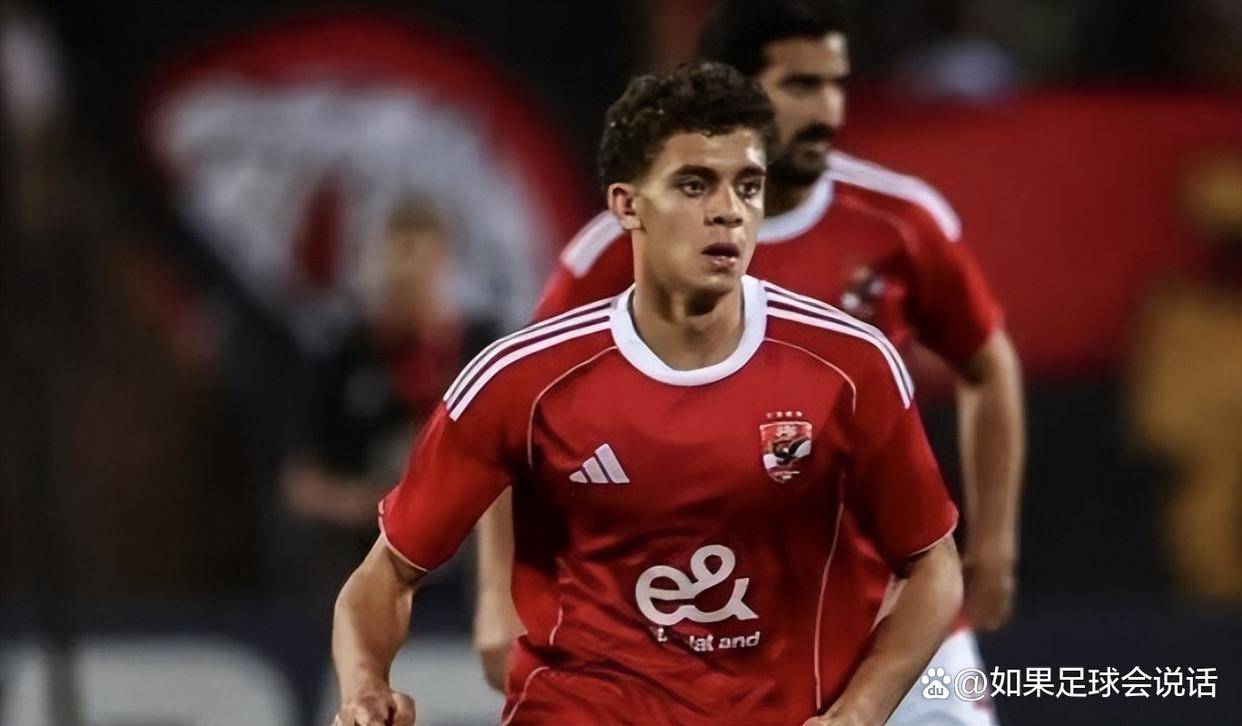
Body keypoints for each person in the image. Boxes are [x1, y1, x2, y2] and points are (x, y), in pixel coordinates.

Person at [333, 61, 962, 725]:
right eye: (695, 184)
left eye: (748, 186)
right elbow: (387, 576)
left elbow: (932, 564)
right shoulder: (520, 379)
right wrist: (365, 687)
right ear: (627, 205)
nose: (727, 211)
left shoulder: (849, 366)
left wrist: (859, 713)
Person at [474, 3, 1025, 723]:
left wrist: (995, 543)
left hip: (902, 616)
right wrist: (497, 597)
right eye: (800, 86)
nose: (828, 110)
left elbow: (987, 365)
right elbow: (512, 420)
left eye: (835, 84)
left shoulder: (900, 221)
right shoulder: (617, 251)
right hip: (721, 638)